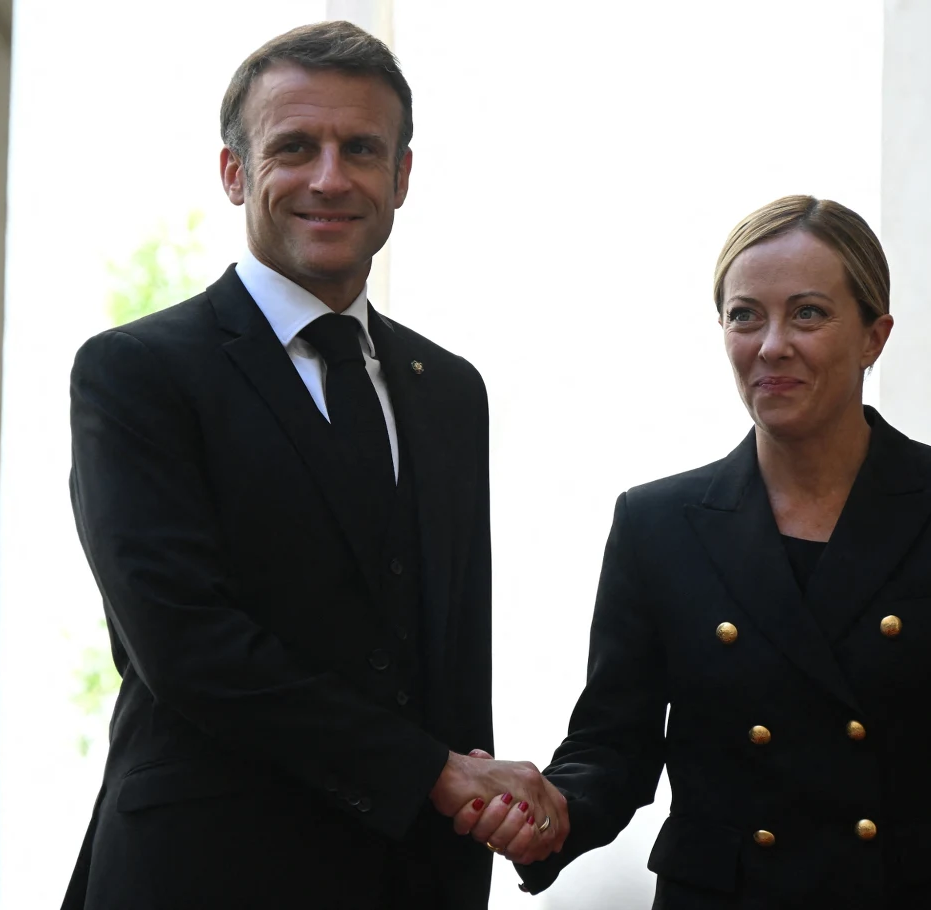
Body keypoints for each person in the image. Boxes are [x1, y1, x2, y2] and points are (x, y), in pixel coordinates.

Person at [60, 21, 565, 910]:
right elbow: (188, 647)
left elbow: (447, 656)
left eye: (361, 149)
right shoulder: (137, 373)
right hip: (201, 874)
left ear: (402, 178)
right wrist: (430, 774)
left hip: (410, 879)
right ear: (234, 173)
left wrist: (484, 813)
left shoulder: (450, 390)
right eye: (294, 147)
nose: (330, 178)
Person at [480, 195, 931, 907]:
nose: (771, 345)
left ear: (874, 336)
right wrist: (552, 812)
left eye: (809, 314)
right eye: (745, 315)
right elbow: (615, 745)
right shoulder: (657, 523)